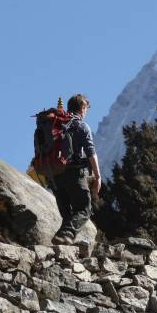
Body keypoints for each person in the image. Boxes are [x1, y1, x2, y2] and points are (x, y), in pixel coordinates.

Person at [51, 94, 101, 245]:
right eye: (86, 108)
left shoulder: (56, 124)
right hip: (73, 172)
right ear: (82, 108)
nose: (86, 112)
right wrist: (98, 176)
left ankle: (63, 243)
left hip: (55, 174)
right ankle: (66, 234)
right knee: (84, 208)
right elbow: (91, 152)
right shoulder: (81, 126)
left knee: (67, 214)